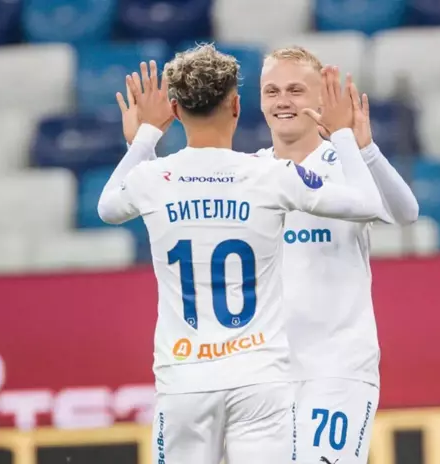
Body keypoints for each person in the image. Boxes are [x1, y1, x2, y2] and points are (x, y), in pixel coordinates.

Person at [98, 44, 389, 464]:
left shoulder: (152, 178)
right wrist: (344, 135)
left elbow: (107, 208)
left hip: (183, 379)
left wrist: (145, 138)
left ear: (176, 110)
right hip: (258, 378)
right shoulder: (267, 174)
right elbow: (368, 203)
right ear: (237, 106)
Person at [258, 47, 419, 464]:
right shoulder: (250, 172)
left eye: (296, 90)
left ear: (321, 98)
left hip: (338, 367)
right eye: (272, 91)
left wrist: (363, 147)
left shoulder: (347, 161)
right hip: (266, 374)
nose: (282, 101)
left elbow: (406, 213)